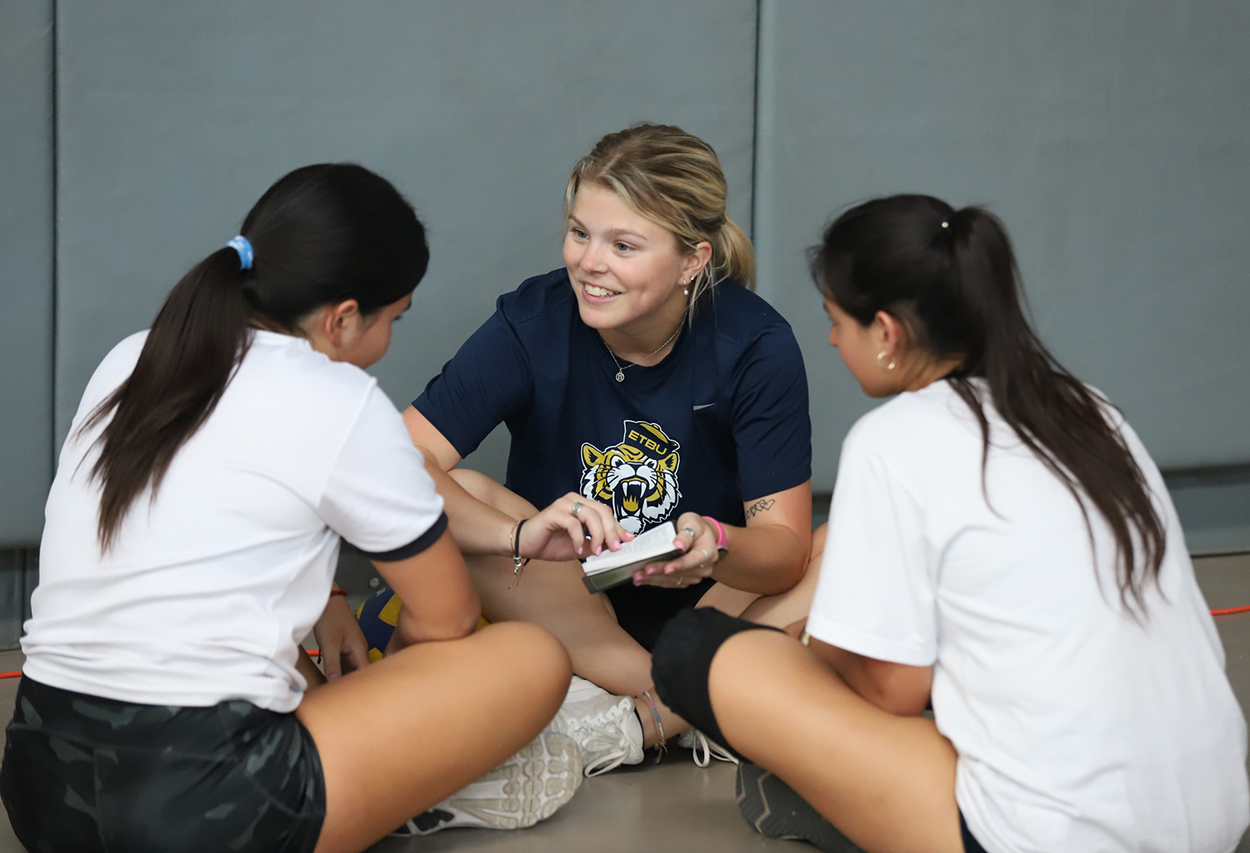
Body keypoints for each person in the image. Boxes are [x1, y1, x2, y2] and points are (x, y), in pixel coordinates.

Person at [0, 164, 586, 853]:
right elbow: (447, 616)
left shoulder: (135, 356)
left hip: (42, 785)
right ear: (342, 318)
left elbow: (205, 530)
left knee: (301, 673)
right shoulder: (340, 398)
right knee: (531, 655)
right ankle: (399, 794)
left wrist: (331, 600)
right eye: (392, 319)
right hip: (203, 809)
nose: (387, 342)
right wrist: (406, 713)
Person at [650, 195, 1250, 852]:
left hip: (1058, 832)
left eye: (836, 321)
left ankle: (837, 805)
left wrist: (807, 649)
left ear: (887, 332)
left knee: (696, 651)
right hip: (1217, 811)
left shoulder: (895, 439)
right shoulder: (1089, 407)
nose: (830, 339)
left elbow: (893, 691)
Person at [394, 124, 818, 775]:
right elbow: (398, 463)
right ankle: (690, 704)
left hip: (716, 611)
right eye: (579, 232)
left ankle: (635, 721)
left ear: (692, 260)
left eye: (623, 244)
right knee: (458, 497)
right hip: (570, 609)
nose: (590, 263)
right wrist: (523, 533)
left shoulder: (755, 344)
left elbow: (783, 553)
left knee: (846, 540)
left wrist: (715, 543)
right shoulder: (532, 319)